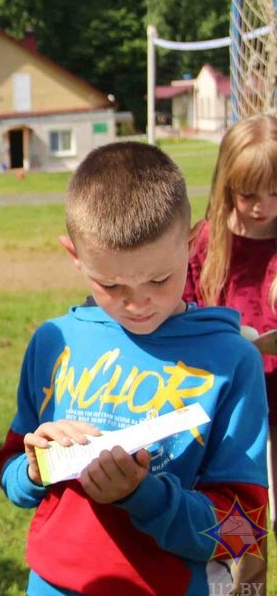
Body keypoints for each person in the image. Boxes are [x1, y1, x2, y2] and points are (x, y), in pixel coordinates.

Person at [0, 142, 269, 595]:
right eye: (110, 283)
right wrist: (35, 468)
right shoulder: (53, 342)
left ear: (192, 242)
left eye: (159, 280)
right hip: (50, 584)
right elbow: (11, 474)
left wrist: (144, 496)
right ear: (75, 256)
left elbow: (245, 532)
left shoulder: (231, 361)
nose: (137, 301)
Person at [183, 113, 277, 589]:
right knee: (242, 524)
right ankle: (246, 588)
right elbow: (183, 310)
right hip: (229, 413)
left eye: (276, 193)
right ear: (227, 187)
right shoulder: (205, 242)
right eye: (249, 194)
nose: (263, 207)